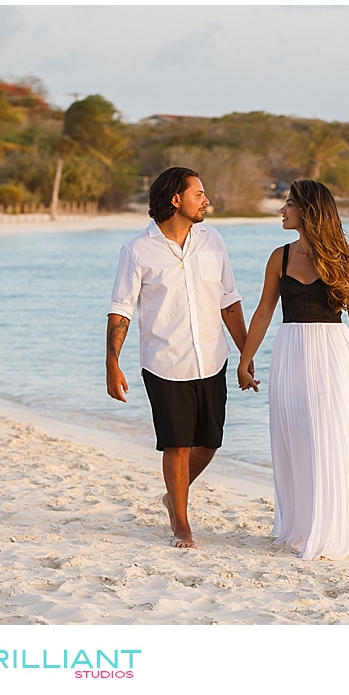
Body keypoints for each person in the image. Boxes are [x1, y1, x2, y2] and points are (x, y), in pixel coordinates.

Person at [237, 180, 349, 560]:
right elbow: (263, 312)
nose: (282, 210)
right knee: (296, 439)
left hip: (332, 354)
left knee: (329, 437)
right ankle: (303, 526)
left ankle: (331, 526)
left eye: (289, 204)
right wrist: (244, 360)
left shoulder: (347, 256)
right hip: (290, 353)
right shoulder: (279, 257)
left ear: (308, 211)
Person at [106, 166, 252, 549]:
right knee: (177, 445)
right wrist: (112, 363)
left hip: (212, 358)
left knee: (210, 442)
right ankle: (181, 525)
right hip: (164, 362)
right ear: (176, 199)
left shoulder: (213, 239)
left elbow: (229, 300)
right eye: (198, 194)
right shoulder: (137, 250)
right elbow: (121, 310)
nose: (207, 200)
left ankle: (174, 495)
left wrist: (246, 352)